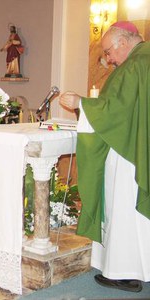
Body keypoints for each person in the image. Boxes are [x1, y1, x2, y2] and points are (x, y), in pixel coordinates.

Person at [59, 21, 150, 293]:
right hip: (138, 146)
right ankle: (141, 264)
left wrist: (81, 104)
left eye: (109, 52)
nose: (109, 60)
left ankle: (122, 271)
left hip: (127, 153)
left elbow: (116, 111)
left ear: (123, 42)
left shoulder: (135, 66)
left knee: (122, 205)